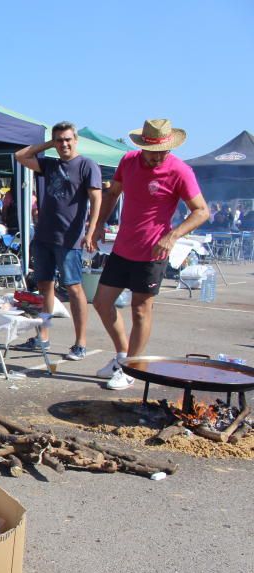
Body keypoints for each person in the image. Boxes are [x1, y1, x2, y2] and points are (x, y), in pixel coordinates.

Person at [85, 119, 209, 390]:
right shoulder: (128, 161)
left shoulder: (180, 170)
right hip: (122, 247)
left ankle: (134, 367)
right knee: (101, 302)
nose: (157, 157)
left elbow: (201, 211)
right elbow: (113, 193)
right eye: (152, 151)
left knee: (140, 310)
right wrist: (96, 227)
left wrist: (172, 236)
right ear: (142, 146)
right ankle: (123, 356)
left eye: (162, 152)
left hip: (153, 251)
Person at [14, 121, 102, 360]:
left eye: (67, 139)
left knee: (74, 288)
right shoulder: (49, 164)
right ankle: (43, 335)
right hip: (44, 235)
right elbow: (21, 155)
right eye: (59, 140)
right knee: (45, 287)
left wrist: (91, 231)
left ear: (76, 140)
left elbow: (96, 199)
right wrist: (48, 144)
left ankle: (80, 343)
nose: (64, 144)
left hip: (69, 238)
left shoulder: (87, 165)